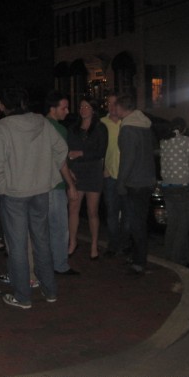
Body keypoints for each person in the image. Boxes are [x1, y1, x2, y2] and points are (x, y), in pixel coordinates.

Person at [0, 88, 74, 310]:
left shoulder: (3, 128)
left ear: (6, 106)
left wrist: (5, 183)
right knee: (41, 240)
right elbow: (61, 149)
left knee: (17, 245)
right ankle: (50, 289)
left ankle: (23, 295)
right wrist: (47, 173)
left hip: (14, 193)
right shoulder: (41, 123)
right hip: (40, 190)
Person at [115, 94, 156, 275]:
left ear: (121, 108)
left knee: (136, 223)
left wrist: (121, 182)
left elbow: (127, 159)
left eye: (115, 107)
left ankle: (139, 261)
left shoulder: (128, 128)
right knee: (140, 221)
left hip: (135, 182)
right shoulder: (145, 125)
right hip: (147, 180)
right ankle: (138, 256)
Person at [66, 97, 108, 259]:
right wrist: (69, 169)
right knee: (73, 209)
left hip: (93, 172)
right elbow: (67, 150)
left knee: (92, 211)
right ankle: (72, 242)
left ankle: (94, 244)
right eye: (81, 106)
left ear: (93, 109)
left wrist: (81, 153)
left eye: (87, 106)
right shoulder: (73, 129)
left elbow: (101, 151)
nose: (83, 109)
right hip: (77, 172)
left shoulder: (100, 128)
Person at [44, 91, 79, 275]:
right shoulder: (59, 129)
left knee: (43, 228)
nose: (67, 111)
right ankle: (60, 265)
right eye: (63, 108)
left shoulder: (39, 125)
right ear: (53, 109)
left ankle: (46, 263)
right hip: (54, 185)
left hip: (38, 184)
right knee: (59, 228)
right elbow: (61, 161)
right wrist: (71, 185)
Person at [159, 117, 189, 269]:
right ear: (182, 129)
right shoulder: (185, 141)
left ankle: (169, 255)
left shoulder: (164, 142)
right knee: (184, 224)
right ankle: (178, 259)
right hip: (181, 187)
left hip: (167, 186)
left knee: (173, 223)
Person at [100, 93, 128, 257]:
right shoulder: (102, 123)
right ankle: (113, 244)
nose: (112, 106)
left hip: (125, 175)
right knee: (111, 213)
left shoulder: (127, 122)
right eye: (109, 103)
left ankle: (124, 244)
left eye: (114, 103)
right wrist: (103, 168)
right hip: (109, 174)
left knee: (127, 214)